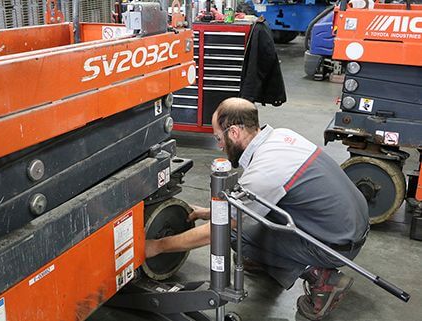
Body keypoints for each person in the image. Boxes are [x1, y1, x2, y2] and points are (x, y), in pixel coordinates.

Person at [145, 97, 369, 321]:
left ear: (233, 132)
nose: (220, 146)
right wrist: (208, 211)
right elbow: (259, 200)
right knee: (250, 219)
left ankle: (323, 279)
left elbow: (220, 230)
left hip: (337, 245)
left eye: (218, 138)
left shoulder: (264, 170)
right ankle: (269, 259)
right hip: (350, 225)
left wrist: (158, 246)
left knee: (234, 235)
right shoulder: (280, 136)